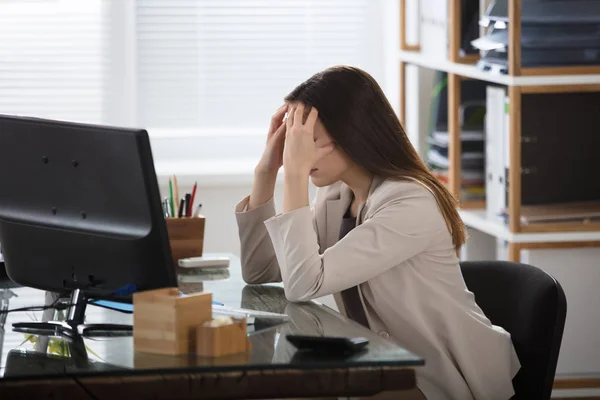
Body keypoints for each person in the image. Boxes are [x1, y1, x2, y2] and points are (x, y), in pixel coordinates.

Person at [235, 66, 520, 400]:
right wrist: (266, 171)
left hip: (443, 376)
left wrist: (295, 175)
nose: (295, 153)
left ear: (350, 135)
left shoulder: (409, 201)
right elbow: (260, 271)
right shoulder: (336, 196)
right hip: (384, 369)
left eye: (307, 140)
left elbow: (303, 284)